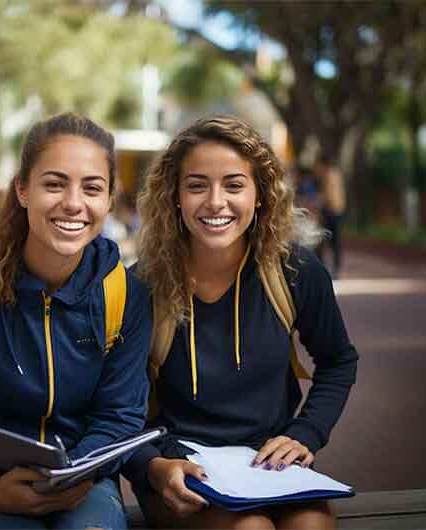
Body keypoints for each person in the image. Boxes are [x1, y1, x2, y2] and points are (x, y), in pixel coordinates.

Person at [0, 113, 152, 530]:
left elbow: (120, 415)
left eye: (92, 188)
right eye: (54, 183)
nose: (74, 203)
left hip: (84, 481)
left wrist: (75, 472)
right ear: (23, 190)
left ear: (110, 200)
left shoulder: (126, 294)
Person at [122, 115, 358, 530]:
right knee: (249, 528)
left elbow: (338, 360)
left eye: (233, 184)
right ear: (174, 195)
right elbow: (117, 404)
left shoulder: (295, 271)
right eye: (197, 185)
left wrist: (307, 433)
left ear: (261, 194)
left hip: (266, 463)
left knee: (311, 526)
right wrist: (153, 466)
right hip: (178, 466)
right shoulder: (141, 286)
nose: (215, 201)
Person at [314, 155, 346, 279]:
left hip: (331, 211)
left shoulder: (328, 175)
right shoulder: (335, 173)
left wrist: (318, 203)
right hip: (337, 210)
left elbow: (327, 195)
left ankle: (328, 268)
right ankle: (334, 268)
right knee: (334, 241)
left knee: (326, 240)